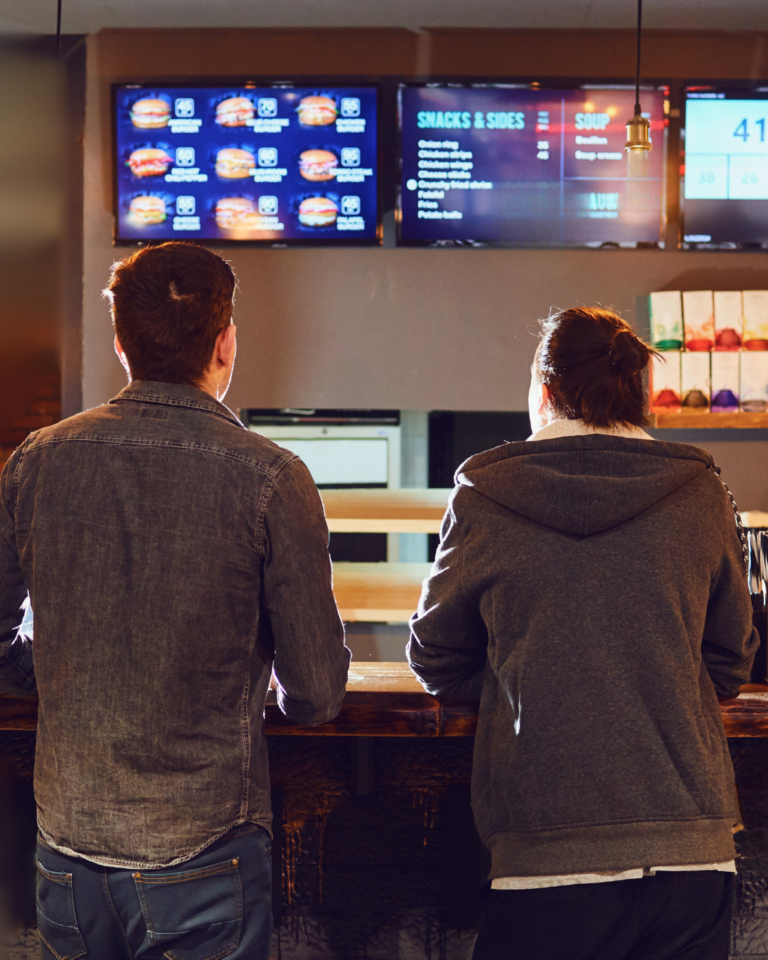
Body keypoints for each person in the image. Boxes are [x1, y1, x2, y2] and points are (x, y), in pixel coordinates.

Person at [0, 241, 350, 959]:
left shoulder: (37, 458)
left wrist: (51, 673)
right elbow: (316, 692)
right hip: (205, 847)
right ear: (225, 342)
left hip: (67, 850)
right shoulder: (272, 477)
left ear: (122, 344)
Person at [408, 307, 758, 960]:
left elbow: (434, 657)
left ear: (543, 394)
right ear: (643, 394)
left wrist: (527, 675)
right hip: (692, 852)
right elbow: (731, 661)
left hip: (549, 850)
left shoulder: (486, 493)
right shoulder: (701, 490)